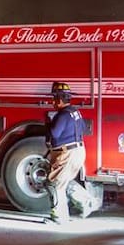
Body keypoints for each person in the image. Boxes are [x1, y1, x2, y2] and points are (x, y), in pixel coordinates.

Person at [44, 81, 98, 223]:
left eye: (54, 99)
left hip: (66, 153)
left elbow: (55, 134)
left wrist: (48, 123)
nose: (53, 102)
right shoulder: (75, 112)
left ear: (60, 100)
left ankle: (59, 217)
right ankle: (86, 202)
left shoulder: (62, 115)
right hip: (78, 151)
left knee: (55, 184)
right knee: (65, 181)